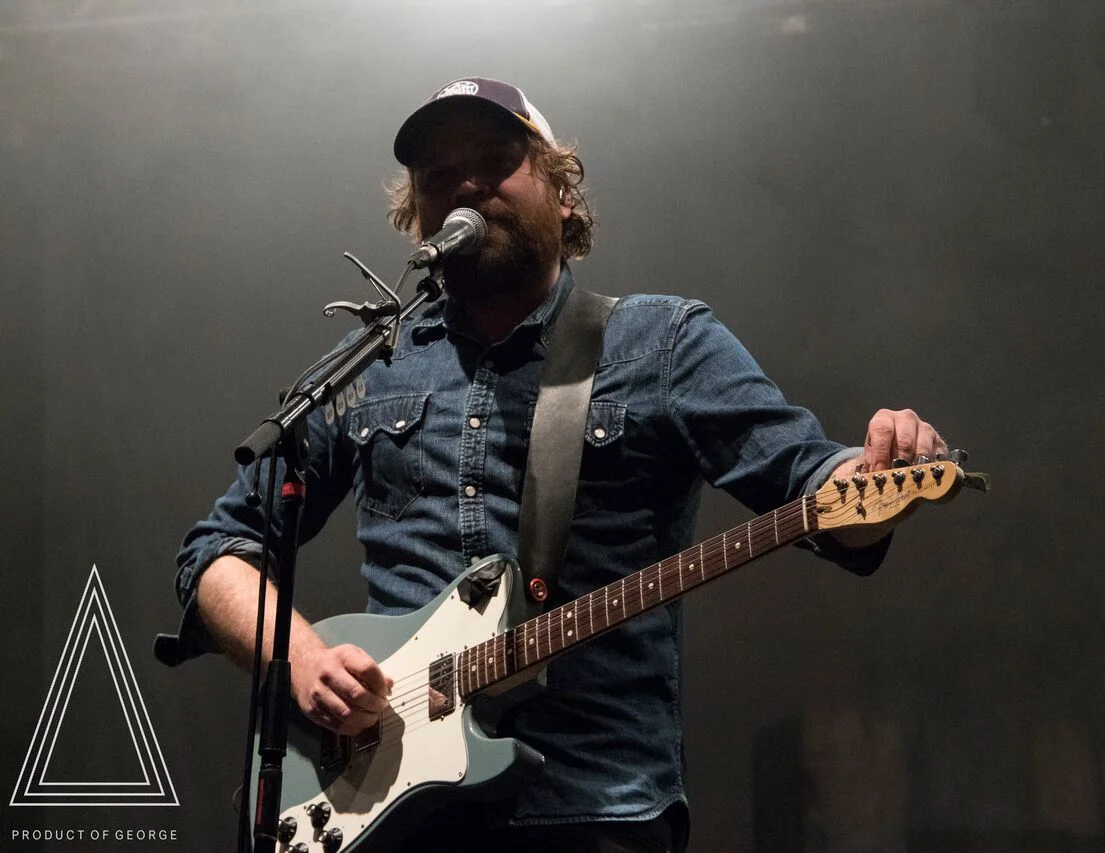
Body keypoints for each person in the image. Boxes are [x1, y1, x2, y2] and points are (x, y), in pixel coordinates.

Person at [165, 77, 947, 853]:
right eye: (439, 175)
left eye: (495, 160)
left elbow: (814, 483)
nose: (466, 185)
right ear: (418, 219)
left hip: (593, 809)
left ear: (564, 194)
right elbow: (217, 554)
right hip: (381, 816)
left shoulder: (661, 343)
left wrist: (876, 466)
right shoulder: (371, 366)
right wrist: (303, 662)